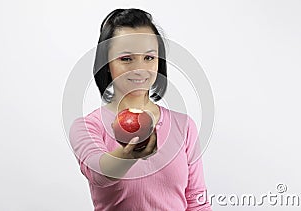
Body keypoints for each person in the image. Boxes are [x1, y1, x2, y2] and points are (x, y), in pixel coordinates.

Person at [70, 8, 212, 210]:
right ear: (106, 63)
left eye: (149, 58)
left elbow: (197, 202)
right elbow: (99, 174)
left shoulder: (184, 126)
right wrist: (129, 156)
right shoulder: (87, 126)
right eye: (126, 58)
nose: (139, 69)